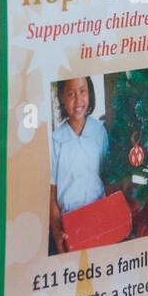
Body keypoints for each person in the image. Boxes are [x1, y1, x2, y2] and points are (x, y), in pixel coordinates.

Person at [48, 76, 108, 253]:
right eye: (71, 94)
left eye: (83, 91)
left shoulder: (99, 131)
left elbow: (109, 179)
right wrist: (57, 233)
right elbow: (52, 197)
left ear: (90, 93)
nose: (78, 99)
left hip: (99, 219)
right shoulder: (55, 141)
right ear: (62, 97)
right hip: (70, 227)